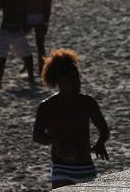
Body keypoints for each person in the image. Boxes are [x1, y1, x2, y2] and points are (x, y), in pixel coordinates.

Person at [33, 48, 110, 189]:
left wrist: (100, 142)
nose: (76, 83)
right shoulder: (47, 106)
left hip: (85, 165)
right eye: (71, 79)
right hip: (61, 167)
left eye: (77, 78)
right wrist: (55, 141)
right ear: (60, 82)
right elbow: (36, 135)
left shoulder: (88, 103)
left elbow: (104, 129)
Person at [0, 0, 35, 88]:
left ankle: (31, 79)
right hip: (5, 31)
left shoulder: (24, 0)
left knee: (28, 56)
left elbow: (29, 13)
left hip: (18, 31)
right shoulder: (5, 0)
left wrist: (28, 26)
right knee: (2, 59)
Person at [25, 0, 53, 75]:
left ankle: (42, 70)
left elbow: (48, 5)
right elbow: (24, 2)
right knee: (19, 39)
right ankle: (26, 64)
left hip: (40, 17)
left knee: (40, 44)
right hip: (28, 16)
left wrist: (45, 20)